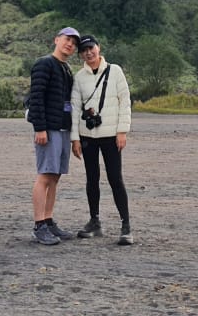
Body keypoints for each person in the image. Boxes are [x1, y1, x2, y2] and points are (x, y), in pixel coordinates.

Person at [69, 34, 133, 245]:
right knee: (92, 178)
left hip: (111, 136)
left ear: (99, 48)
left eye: (91, 48)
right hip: (88, 136)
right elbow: (75, 108)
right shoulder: (79, 77)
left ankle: (126, 225)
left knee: (116, 178)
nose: (89, 52)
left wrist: (122, 131)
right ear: (80, 55)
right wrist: (75, 138)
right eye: (84, 50)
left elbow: (125, 101)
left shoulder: (115, 71)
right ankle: (95, 221)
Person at [27, 26, 79, 245]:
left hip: (62, 128)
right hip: (48, 128)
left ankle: (49, 221)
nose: (70, 44)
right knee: (45, 175)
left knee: (55, 176)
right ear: (56, 39)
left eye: (74, 43)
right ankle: (39, 225)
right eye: (67, 39)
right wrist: (40, 128)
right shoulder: (44, 63)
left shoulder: (66, 68)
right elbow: (36, 96)